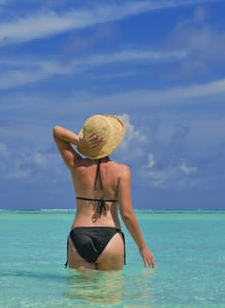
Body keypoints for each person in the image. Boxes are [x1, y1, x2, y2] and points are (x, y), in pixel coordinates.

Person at [53, 114, 155, 270]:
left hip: (80, 234)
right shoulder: (122, 171)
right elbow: (127, 213)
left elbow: (57, 132)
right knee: (109, 292)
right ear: (110, 143)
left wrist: (79, 142)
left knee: (83, 293)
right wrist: (142, 247)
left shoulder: (77, 166)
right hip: (111, 237)